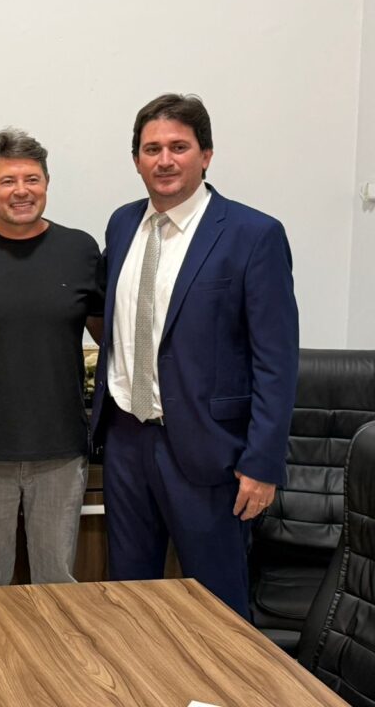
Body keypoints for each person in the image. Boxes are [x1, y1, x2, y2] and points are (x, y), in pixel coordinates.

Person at [90, 94, 299, 618]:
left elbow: (276, 362)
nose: (164, 160)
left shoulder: (254, 236)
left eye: (178, 147)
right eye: (152, 149)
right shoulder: (122, 225)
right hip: (126, 441)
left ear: (206, 155)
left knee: (217, 611)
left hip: (211, 453)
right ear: (136, 159)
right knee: (130, 601)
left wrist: (263, 463)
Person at [0, 128, 104, 587]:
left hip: (60, 450)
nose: (21, 191)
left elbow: (109, 336)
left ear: (47, 184)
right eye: (8, 181)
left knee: (56, 583)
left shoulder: (80, 250)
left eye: (32, 179)